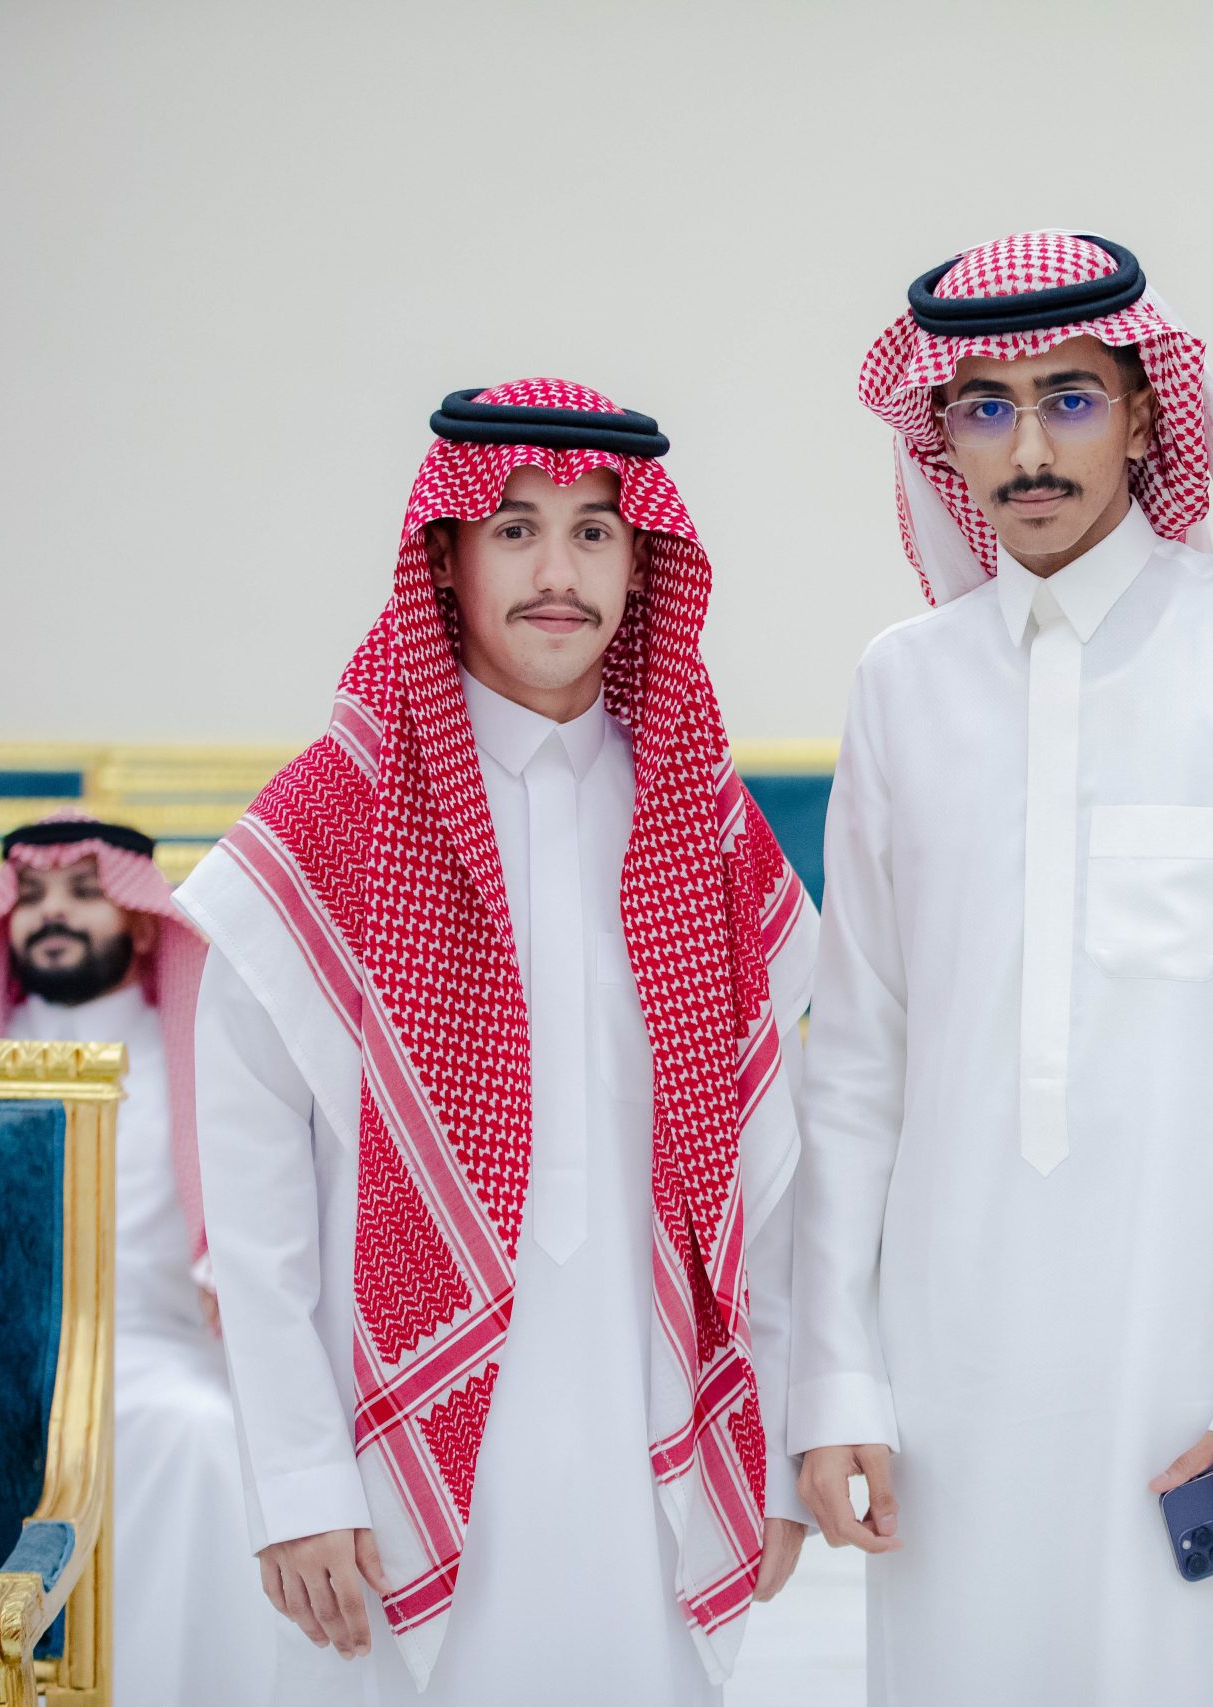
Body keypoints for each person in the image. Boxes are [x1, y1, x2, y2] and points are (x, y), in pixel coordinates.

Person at [791, 230, 1213, 1706]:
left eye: (1068, 398)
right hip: (951, 1376)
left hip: (1201, 1356)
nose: (1030, 448)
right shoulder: (903, 682)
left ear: (1141, 414)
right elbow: (855, 1062)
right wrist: (838, 1374)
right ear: (941, 433)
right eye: (984, 407)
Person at [174, 381, 813, 1704]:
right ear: (447, 558)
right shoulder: (330, 825)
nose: (558, 573)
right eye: (516, 530)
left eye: (594, 533)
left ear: (643, 563)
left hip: (647, 1428)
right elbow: (255, 1205)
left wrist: (781, 1443)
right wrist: (296, 1477)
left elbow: (775, 1176)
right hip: (381, 1459)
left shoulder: (701, 824)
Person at [0, 813, 275, 1707]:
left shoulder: (206, 1042)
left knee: (204, 1437)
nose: (52, 914)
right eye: (31, 897)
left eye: (81, 893)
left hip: (158, 1350)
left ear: (142, 921)